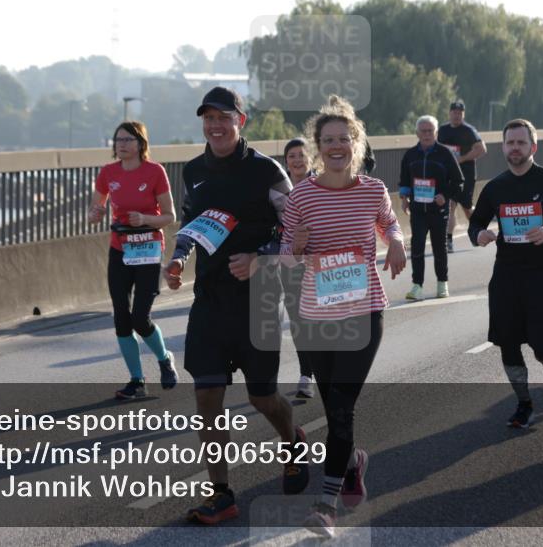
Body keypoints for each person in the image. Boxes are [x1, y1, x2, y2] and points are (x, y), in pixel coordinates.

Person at [163, 87, 308, 524]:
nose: (215, 125)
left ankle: (293, 440)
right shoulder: (193, 171)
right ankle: (222, 493)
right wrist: (176, 260)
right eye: (208, 118)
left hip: (259, 299)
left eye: (223, 117)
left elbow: (296, 229)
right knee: (207, 394)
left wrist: (260, 258)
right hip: (209, 299)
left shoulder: (267, 171)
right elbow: (191, 224)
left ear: (240, 121)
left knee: (263, 398)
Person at [281, 96, 406, 538]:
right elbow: (286, 259)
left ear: (356, 142)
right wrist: (295, 246)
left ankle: (325, 506)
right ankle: (353, 461)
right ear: (318, 147)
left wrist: (395, 241)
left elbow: (389, 223)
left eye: (344, 139)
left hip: (364, 312)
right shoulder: (302, 196)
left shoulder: (372, 190)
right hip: (316, 315)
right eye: (328, 140)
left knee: (340, 406)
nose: (336, 146)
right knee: (336, 407)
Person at [468, 119, 543, 429]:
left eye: (521, 143)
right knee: (507, 344)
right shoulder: (496, 188)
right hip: (507, 275)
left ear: (533, 147)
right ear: (503, 147)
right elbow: (475, 223)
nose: (515, 148)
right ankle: (523, 404)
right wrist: (479, 234)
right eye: (510, 143)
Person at [89, 121, 179, 400]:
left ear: (141, 143)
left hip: (149, 249)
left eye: (128, 140)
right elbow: (97, 205)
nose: (122, 144)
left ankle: (164, 359)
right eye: (118, 140)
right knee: (121, 317)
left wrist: (146, 219)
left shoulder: (155, 172)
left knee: (140, 317)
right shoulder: (107, 173)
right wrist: (95, 214)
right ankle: (137, 380)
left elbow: (169, 216)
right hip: (120, 249)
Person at [399, 115, 464, 300]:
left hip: (438, 210)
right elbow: (404, 179)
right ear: (417, 133)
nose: (427, 134)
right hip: (418, 210)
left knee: (439, 248)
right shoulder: (410, 155)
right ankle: (417, 286)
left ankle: (442, 283)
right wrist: (404, 197)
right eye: (423, 131)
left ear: (436, 133)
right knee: (417, 247)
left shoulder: (445, 154)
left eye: (430, 131)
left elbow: (459, 181)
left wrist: (445, 195)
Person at [283, 137, 316, 399]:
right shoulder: (277, 191)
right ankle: (307, 374)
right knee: (297, 319)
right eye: (292, 156)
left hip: (320, 264)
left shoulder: (322, 186)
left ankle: (326, 367)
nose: (297, 160)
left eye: (301, 155)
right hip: (291, 262)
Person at [437, 99, 486, 253]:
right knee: (450, 205)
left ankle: (477, 231)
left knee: (467, 208)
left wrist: (461, 159)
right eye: (454, 113)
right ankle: (448, 240)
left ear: (463, 114)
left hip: (466, 175)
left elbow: (482, 149)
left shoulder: (469, 130)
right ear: (449, 113)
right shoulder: (443, 130)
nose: (456, 116)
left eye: (460, 113)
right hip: (448, 175)